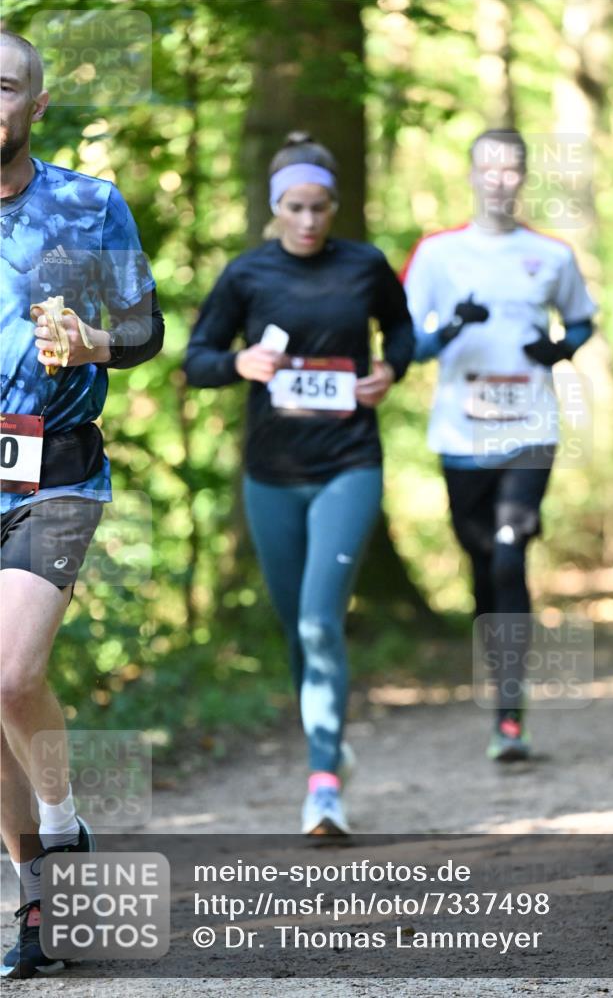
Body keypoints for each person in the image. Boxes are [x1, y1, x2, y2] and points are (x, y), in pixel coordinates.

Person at [185, 132, 413, 834]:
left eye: (319, 207)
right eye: (295, 207)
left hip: (349, 465)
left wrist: (390, 370)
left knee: (319, 621)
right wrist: (239, 364)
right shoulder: (247, 274)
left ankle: (322, 787)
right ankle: (328, 746)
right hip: (272, 475)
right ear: (275, 208)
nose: (308, 221)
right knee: (296, 630)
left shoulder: (364, 265)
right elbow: (196, 358)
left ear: (334, 206)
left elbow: (401, 332)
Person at [0, 31, 163, 978]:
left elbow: (146, 328)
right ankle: (36, 904)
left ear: (37, 105)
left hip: (55, 471)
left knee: (10, 675)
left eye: (4, 86)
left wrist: (96, 342)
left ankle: (61, 824)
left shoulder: (87, 204)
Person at [402, 128, 596, 761]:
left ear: (523, 177)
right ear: (470, 175)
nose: (498, 180)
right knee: (483, 565)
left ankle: (510, 716)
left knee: (511, 552)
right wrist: (450, 329)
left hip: (530, 432)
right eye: (487, 168)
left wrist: (560, 349)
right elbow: (405, 345)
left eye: (510, 169)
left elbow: (583, 321)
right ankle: (500, 684)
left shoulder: (551, 255)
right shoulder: (437, 254)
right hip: (460, 436)